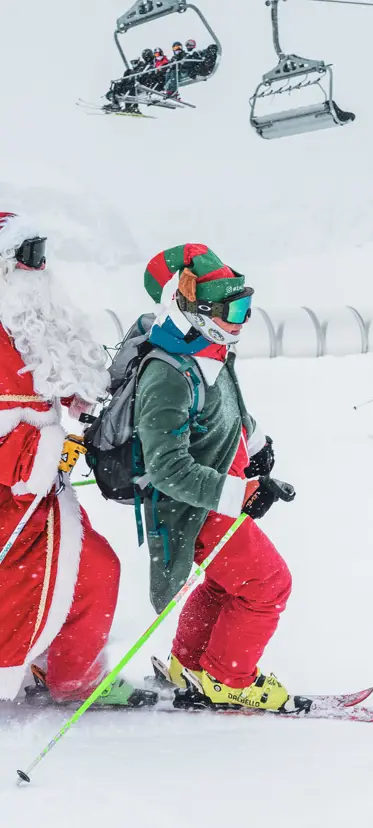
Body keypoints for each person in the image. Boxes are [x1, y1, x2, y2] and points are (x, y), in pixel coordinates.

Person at [0, 212, 156, 708]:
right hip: (12, 508)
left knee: (94, 575)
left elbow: (38, 373)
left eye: (41, 255)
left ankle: (72, 675)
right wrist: (37, 453)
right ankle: (68, 676)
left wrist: (75, 398)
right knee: (63, 584)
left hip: (42, 501)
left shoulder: (19, 316)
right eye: (27, 256)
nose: (38, 268)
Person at [136, 243, 295, 711]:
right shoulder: (167, 373)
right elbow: (166, 467)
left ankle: (191, 664)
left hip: (217, 497)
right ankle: (228, 679)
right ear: (197, 309)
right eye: (234, 310)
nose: (242, 321)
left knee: (230, 584)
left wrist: (259, 448)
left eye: (247, 306)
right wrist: (240, 491)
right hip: (196, 507)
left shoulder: (211, 348)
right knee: (269, 584)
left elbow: (232, 409)